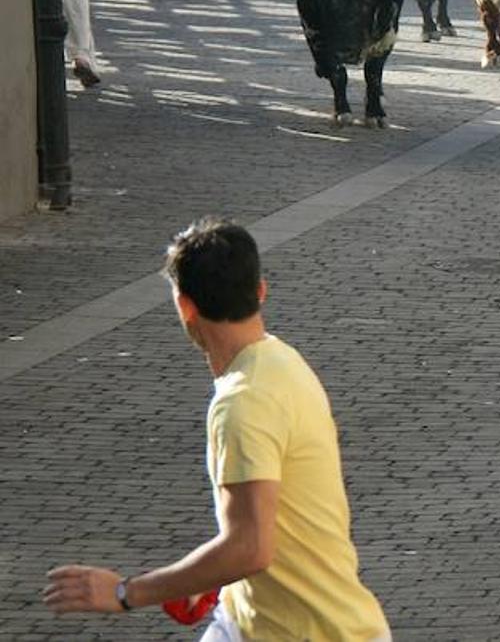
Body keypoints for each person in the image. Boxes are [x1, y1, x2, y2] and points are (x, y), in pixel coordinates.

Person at [43, 218, 391, 640]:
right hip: (258, 622)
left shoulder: (242, 403)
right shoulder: (282, 363)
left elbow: (249, 548)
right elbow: (272, 523)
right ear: (260, 291)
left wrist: (124, 592)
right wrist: (206, 576)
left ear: (184, 306)